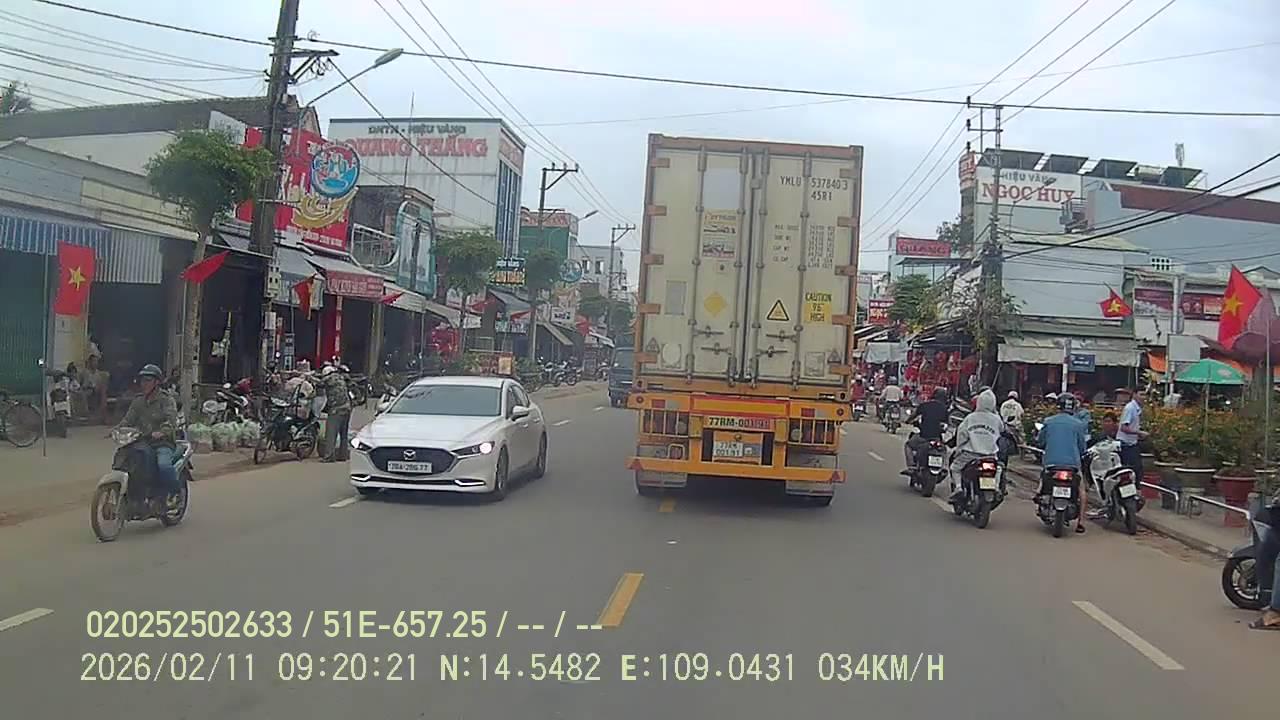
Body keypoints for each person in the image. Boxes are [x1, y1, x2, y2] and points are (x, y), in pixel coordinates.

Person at [116, 364, 180, 493]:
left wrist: (162, 432)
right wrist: (117, 429)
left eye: (148, 380)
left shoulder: (166, 400)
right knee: (124, 459)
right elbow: (128, 419)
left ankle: (172, 493)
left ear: (157, 382)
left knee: (164, 466)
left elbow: (171, 420)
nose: (143, 384)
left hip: (162, 443)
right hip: (142, 440)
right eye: (142, 380)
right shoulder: (138, 401)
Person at [1037, 393, 1090, 533]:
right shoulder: (1078, 424)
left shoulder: (1048, 421)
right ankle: (1081, 522)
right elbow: (1082, 447)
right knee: (1081, 489)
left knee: (1043, 478)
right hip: (1072, 465)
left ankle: (1038, 495)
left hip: (1051, 463)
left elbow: (1040, 441)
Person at [948, 388, 1003, 501]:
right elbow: (1002, 430)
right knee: (998, 469)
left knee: (955, 468)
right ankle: (996, 487)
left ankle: (958, 488)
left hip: (970, 454)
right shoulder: (997, 419)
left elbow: (962, 434)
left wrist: (959, 448)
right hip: (990, 455)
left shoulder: (971, 418)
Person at [903, 387, 950, 474]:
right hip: (936, 438)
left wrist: (908, 421)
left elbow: (914, 415)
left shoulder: (925, 405)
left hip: (923, 436)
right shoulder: (945, 409)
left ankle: (911, 466)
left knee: (908, 445)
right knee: (943, 450)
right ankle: (943, 467)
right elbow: (946, 424)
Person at [319, 364, 351, 462]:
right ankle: (343, 455)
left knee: (331, 434)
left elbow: (319, 383)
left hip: (336, 410)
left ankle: (329, 457)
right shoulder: (341, 377)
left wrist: (306, 376)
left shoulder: (329, 379)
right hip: (347, 408)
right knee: (344, 435)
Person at [1115, 386, 1147, 484]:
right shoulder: (1130, 408)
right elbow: (1123, 427)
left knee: (1137, 471)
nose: (1143, 397)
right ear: (1134, 395)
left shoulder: (1137, 408)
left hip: (1132, 443)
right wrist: (1139, 432)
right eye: (1141, 394)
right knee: (1132, 470)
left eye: (1145, 395)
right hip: (1126, 445)